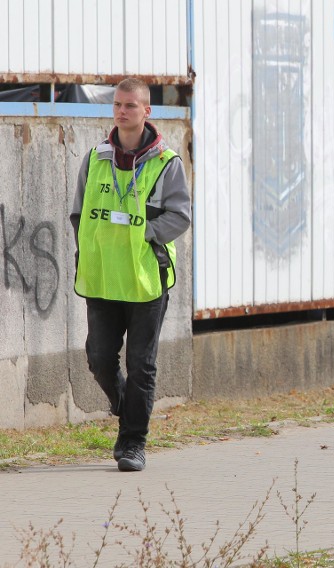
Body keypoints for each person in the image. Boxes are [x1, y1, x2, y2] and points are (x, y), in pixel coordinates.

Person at [70, 77, 191, 471]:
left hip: (144, 279)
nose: (122, 111)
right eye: (118, 105)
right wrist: (94, 247)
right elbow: (79, 213)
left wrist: (145, 235)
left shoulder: (166, 162)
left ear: (146, 111)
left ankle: (133, 442)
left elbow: (180, 216)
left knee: (142, 363)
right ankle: (125, 405)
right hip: (103, 278)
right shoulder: (96, 158)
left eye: (131, 106)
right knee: (100, 358)